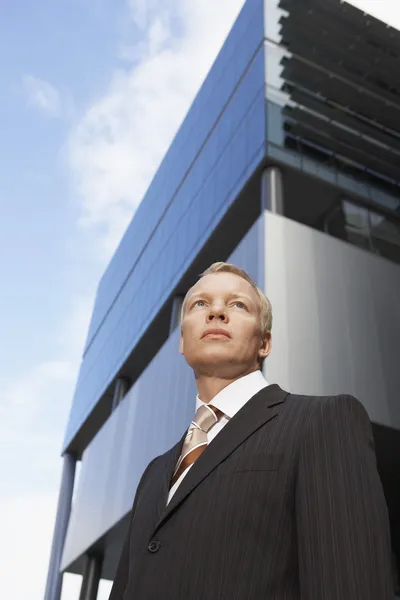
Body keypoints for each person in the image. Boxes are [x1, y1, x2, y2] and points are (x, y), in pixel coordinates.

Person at [109, 262, 394, 600]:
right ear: (182, 342)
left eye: (237, 305)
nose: (216, 311)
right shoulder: (154, 473)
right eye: (200, 303)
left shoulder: (322, 421)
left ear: (265, 343)